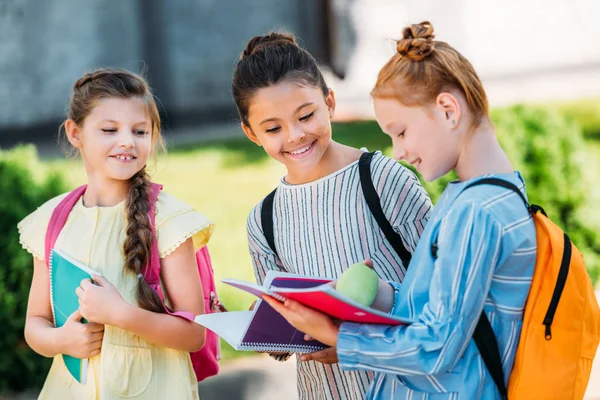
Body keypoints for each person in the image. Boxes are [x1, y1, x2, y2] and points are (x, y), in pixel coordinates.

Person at [264, 21, 537, 399]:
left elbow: (436, 347)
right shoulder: (477, 198)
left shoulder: (479, 212)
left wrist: (339, 338)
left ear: (447, 110)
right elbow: (439, 310)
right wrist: (374, 293)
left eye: (401, 132)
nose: (399, 151)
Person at [232, 32, 433, 400]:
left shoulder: (384, 180)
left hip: (408, 388)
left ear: (330, 103)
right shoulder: (264, 220)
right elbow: (285, 338)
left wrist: (355, 337)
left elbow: (446, 297)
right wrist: (266, 325)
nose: (294, 135)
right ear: (251, 133)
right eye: (273, 128)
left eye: (306, 115)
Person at [19, 68, 213, 400]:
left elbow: (195, 333)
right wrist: (62, 340)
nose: (127, 141)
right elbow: (35, 324)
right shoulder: (53, 221)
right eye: (109, 129)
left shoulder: (167, 220)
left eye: (140, 131)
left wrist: (120, 314)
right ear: (75, 133)